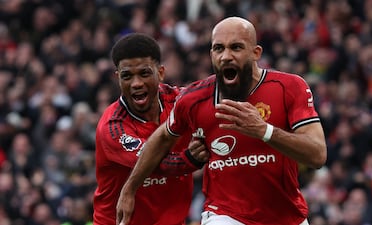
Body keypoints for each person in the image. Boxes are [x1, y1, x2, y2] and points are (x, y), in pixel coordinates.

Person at [116, 16, 327, 225]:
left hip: (286, 216)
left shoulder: (289, 87)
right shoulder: (194, 98)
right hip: (225, 214)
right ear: (211, 55)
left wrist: (264, 131)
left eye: (235, 47)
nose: (226, 56)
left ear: (256, 53)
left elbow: (317, 155)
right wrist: (129, 189)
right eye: (219, 49)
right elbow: (162, 137)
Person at [93, 33, 208, 225]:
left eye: (144, 73)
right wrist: (192, 158)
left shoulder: (180, 102)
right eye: (127, 76)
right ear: (118, 78)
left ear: (161, 72)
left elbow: (210, 92)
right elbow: (158, 164)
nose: (136, 83)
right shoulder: (112, 127)